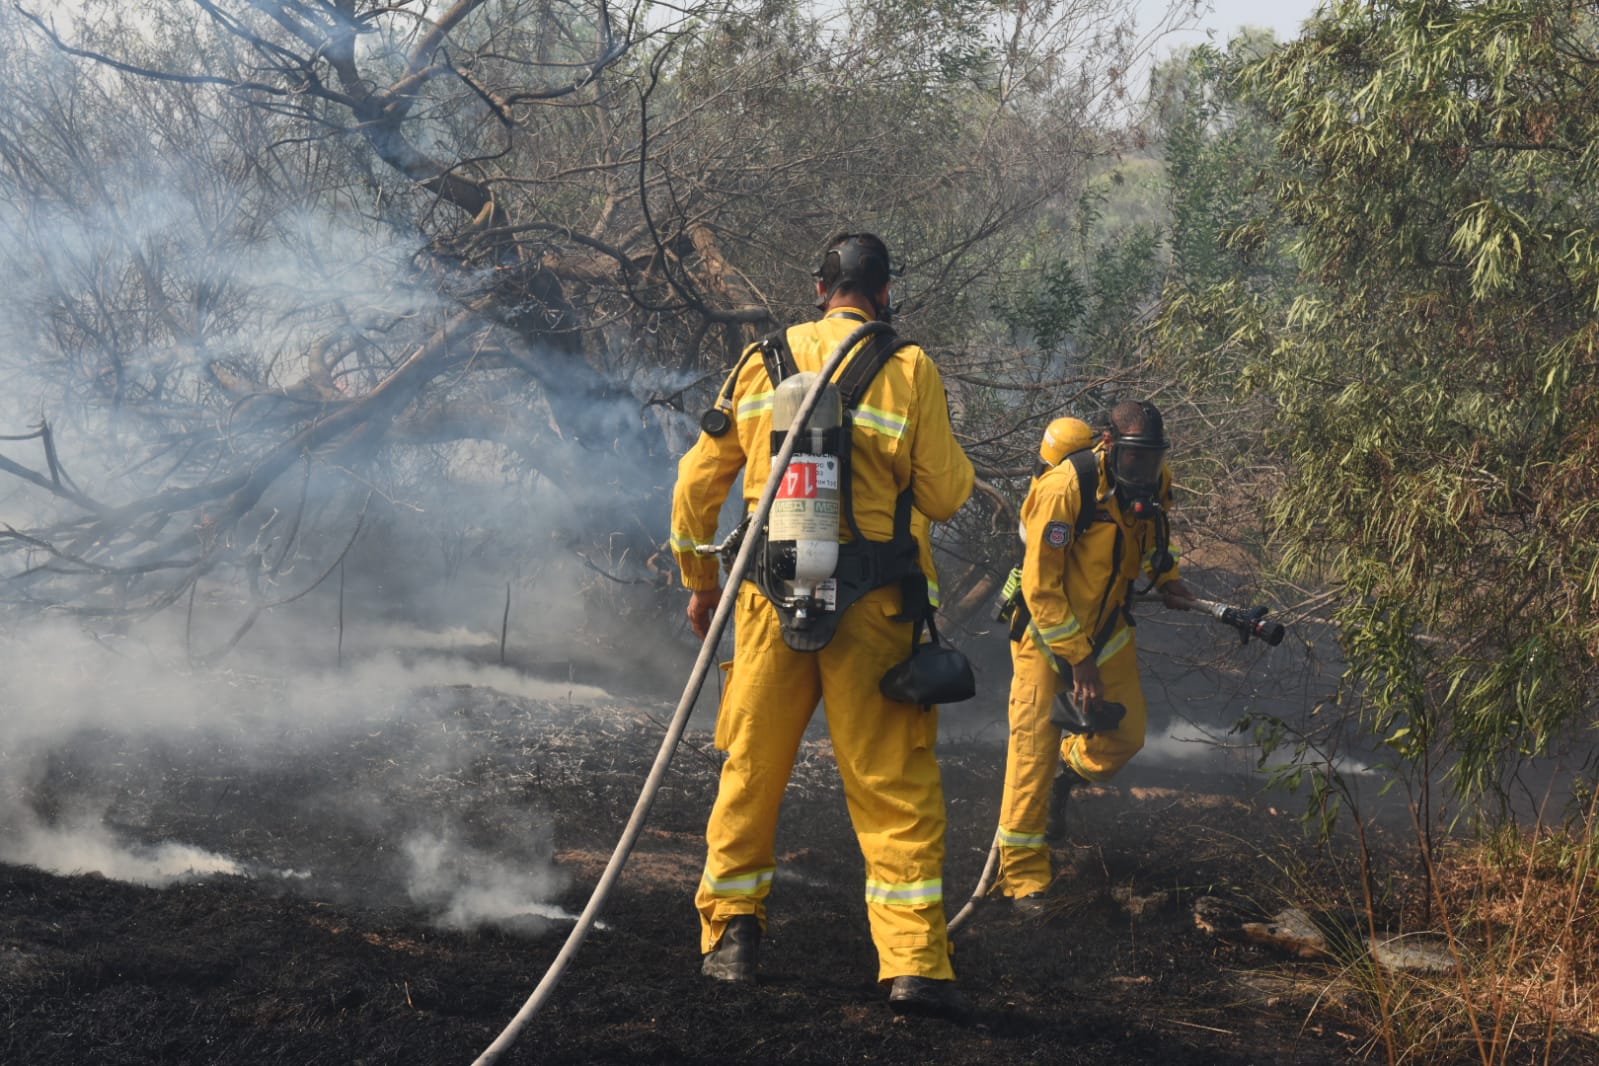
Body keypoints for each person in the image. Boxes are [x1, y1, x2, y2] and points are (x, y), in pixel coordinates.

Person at [668, 232, 976, 1018]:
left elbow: (696, 488)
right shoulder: (908, 368)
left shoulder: (763, 361)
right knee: (892, 784)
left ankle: (731, 936)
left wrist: (700, 583)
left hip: (769, 602)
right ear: (883, 292)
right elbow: (943, 496)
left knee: (751, 768)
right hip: (876, 609)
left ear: (819, 288)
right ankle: (911, 964)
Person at [991, 400, 1193, 909]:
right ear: (1109, 446)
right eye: (1133, 460)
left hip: (1108, 635)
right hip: (1044, 636)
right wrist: (1078, 659)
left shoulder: (1155, 481)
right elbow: (1040, 588)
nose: (1142, 472)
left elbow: (1151, 540)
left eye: (1150, 460)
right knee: (1030, 757)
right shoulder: (1065, 489)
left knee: (1126, 735)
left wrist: (1167, 579)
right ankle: (1023, 877)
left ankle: (1068, 772)